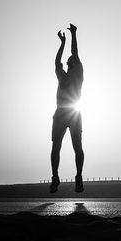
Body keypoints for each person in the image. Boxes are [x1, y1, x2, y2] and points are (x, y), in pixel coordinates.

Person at [50, 23, 84, 193]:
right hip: (60, 113)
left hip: (74, 113)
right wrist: (61, 43)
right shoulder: (62, 76)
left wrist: (73, 34)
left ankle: (79, 177)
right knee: (56, 146)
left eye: (70, 59)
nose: (68, 59)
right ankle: (55, 178)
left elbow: (75, 53)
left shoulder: (78, 73)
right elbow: (57, 62)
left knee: (77, 146)